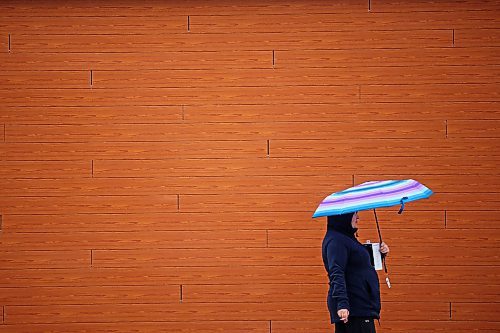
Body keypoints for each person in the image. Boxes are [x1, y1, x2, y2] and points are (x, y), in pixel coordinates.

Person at [322, 211, 390, 333]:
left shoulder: (346, 238)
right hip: (354, 307)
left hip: (359, 306)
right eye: (355, 214)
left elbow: (358, 265)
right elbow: (336, 272)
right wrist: (342, 304)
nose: (358, 217)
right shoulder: (336, 241)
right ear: (344, 216)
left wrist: (381, 254)